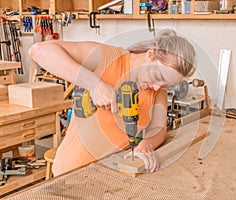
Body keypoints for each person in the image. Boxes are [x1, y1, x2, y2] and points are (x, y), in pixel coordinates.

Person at [29, 29, 196, 176]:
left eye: (166, 84)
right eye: (158, 77)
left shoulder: (158, 90)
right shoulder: (108, 58)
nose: (157, 86)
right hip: (72, 173)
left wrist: (146, 145)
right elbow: (39, 51)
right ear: (150, 54)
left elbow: (158, 128)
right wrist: (95, 85)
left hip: (113, 174)